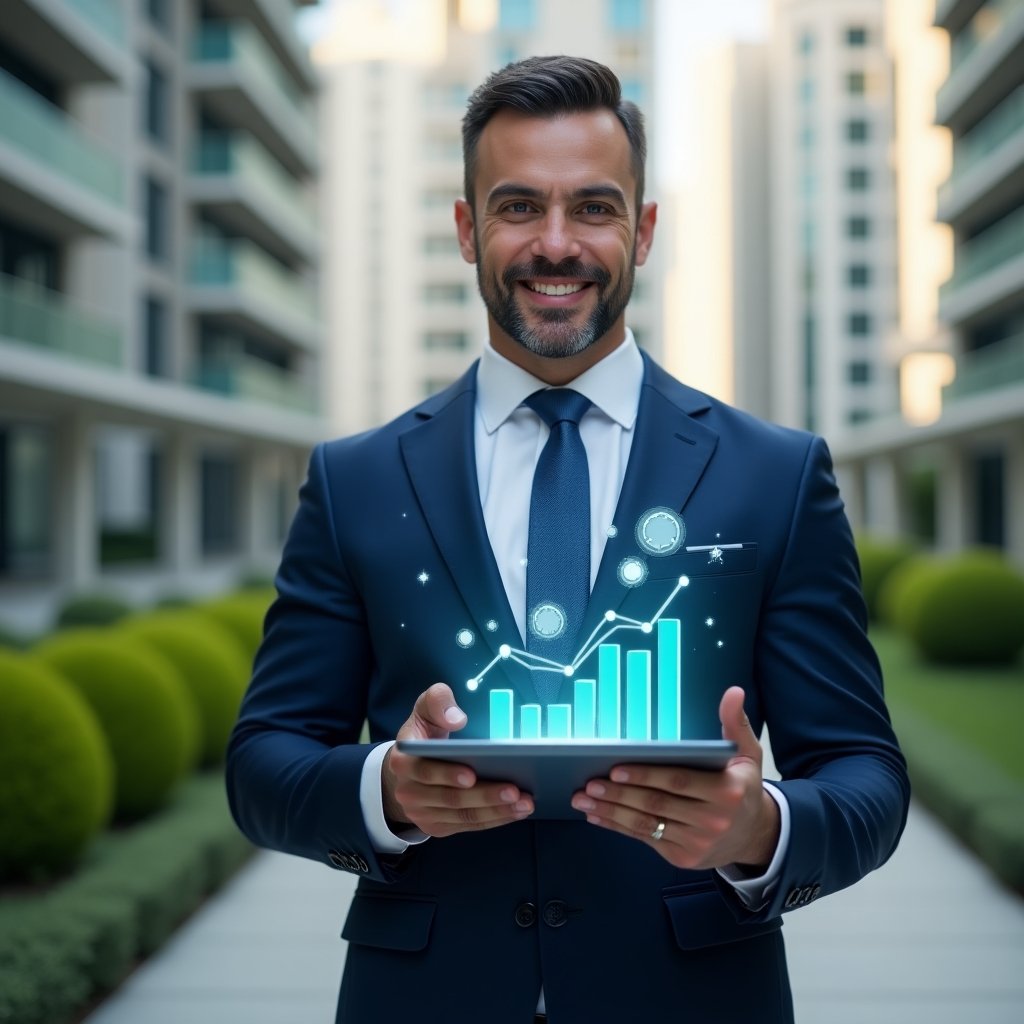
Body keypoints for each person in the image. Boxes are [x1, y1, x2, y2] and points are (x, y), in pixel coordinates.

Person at [226, 55, 910, 1024]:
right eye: (518, 207)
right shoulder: (357, 479)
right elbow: (263, 764)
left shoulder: (776, 474)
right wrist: (387, 790)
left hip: (693, 997)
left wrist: (760, 827)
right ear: (467, 229)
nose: (556, 244)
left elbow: (867, 775)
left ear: (644, 229)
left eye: (593, 207)